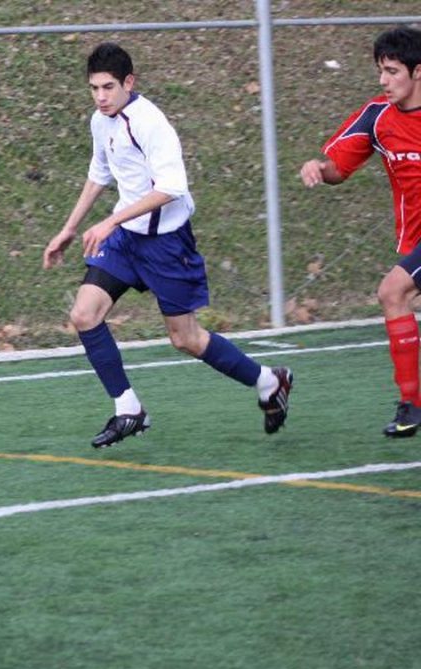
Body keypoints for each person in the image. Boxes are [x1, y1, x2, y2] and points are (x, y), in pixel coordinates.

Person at [43, 42, 292, 448]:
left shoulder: (150, 122)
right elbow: (98, 174)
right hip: (126, 240)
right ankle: (129, 410)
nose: (101, 97)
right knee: (85, 314)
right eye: (93, 88)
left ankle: (269, 380)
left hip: (166, 244)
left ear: (129, 82)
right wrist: (70, 228)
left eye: (108, 87)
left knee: (185, 338)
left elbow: (172, 188)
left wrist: (109, 220)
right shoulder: (100, 121)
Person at [300, 26, 421, 438]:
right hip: (414, 241)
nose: (383, 80)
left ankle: (411, 404)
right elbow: (340, 169)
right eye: (380, 71)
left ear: (418, 72)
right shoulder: (378, 117)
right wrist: (320, 169)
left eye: (392, 71)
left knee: (393, 291)